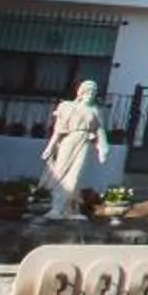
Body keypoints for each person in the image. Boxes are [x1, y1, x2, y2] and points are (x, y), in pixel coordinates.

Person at [40, 80, 110, 219]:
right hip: (69, 142)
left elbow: (100, 130)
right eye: (88, 91)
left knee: (75, 176)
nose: (90, 95)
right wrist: (50, 147)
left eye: (93, 92)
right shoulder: (69, 107)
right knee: (60, 174)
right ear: (81, 92)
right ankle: (56, 208)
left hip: (83, 144)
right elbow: (58, 130)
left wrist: (103, 148)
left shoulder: (95, 111)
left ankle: (68, 209)